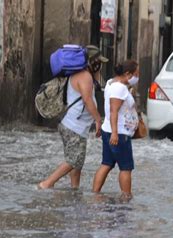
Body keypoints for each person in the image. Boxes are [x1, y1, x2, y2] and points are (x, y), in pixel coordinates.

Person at [38, 46, 108, 189]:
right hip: (73, 127)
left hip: (72, 126)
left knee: (77, 162)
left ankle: (74, 188)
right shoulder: (85, 77)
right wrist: (98, 120)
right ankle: (47, 183)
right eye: (98, 62)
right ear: (91, 62)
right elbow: (88, 101)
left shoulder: (81, 75)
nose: (100, 66)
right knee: (73, 160)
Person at [92, 60, 139, 199]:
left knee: (106, 163)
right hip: (119, 134)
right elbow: (114, 111)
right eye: (136, 74)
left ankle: (95, 194)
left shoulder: (111, 83)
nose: (137, 77)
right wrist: (115, 133)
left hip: (111, 131)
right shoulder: (119, 88)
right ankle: (126, 196)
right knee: (126, 167)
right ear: (127, 74)